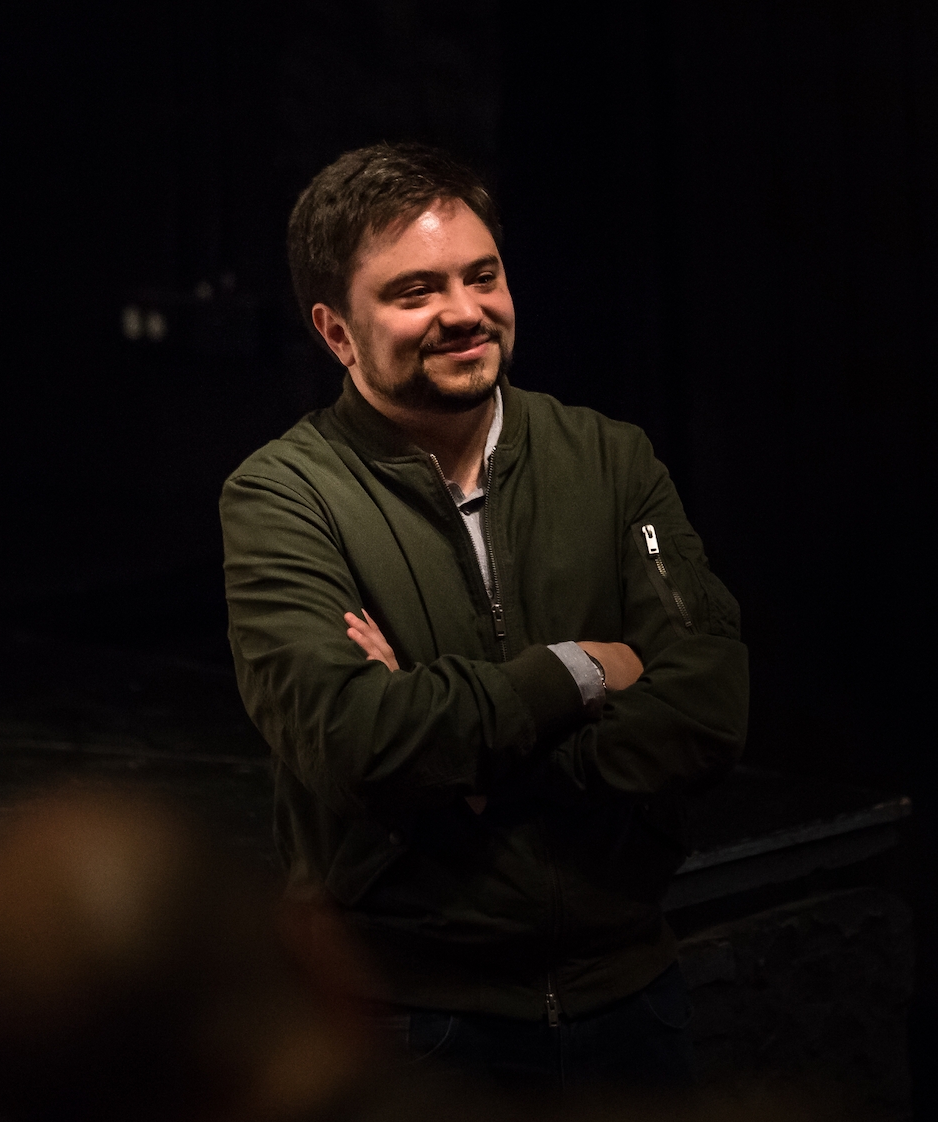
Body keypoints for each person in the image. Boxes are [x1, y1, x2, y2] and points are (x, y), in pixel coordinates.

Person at [220, 142, 749, 1094]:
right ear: (337, 332)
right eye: (416, 291)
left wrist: (472, 773)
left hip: (629, 998)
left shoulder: (610, 458)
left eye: (483, 275)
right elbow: (357, 744)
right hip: (409, 1024)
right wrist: (581, 671)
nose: (466, 311)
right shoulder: (284, 497)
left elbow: (708, 709)